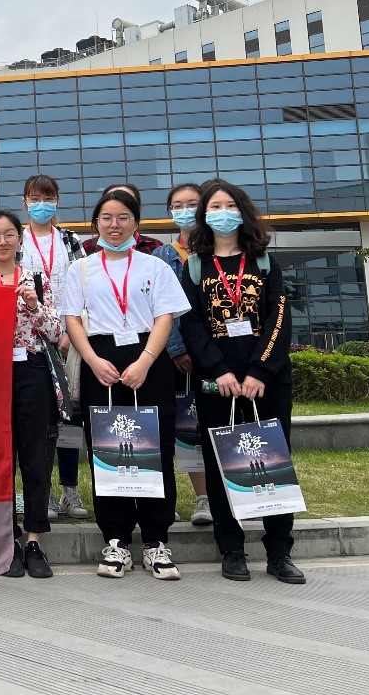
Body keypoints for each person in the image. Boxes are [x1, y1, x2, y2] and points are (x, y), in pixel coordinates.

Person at [179, 180, 304, 585]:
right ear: (204, 215)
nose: (223, 213)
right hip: (218, 383)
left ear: (243, 210)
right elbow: (191, 323)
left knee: (273, 462)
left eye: (230, 205)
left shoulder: (264, 261)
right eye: (214, 206)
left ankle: (279, 551)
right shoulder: (195, 266)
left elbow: (279, 319)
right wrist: (219, 370)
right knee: (221, 465)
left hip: (266, 381)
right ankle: (231, 548)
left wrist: (259, 371)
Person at [63, 189, 191, 580]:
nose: (114, 225)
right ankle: (116, 540)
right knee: (107, 450)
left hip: (147, 358)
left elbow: (165, 317)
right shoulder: (80, 269)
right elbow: (72, 320)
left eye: (122, 217)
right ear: (95, 223)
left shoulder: (155, 266)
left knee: (156, 449)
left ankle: (155, 540)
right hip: (100, 359)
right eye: (106, 217)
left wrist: (146, 361)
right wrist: (93, 360)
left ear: (136, 222)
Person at [0, 210, 62, 579]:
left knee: (36, 458)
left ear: (19, 239)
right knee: (0, 459)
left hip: (33, 373)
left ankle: (35, 539)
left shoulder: (36, 280)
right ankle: (7, 540)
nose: (2, 241)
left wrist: (33, 306)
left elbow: (56, 331)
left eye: (9, 234)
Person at [18, 174, 89, 523]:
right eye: (34, 198)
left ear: (57, 201)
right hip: (31, 340)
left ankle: (70, 488)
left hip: (69, 336)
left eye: (47, 198)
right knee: (40, 420)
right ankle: (42, 492)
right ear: (25, 203)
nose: (41, 204)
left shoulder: (70, 240)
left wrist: (71, 333)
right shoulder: (17, 240)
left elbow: (83, 285)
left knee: (70, 414)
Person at [154, 182, 212, 527]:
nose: (185, 210)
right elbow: (160, 308)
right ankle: (176, 498)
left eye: (192, 203)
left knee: (208, 426)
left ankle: (209, 497)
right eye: (178, 205)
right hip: (173, 358)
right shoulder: (162, 256)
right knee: (178, 428)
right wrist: (176, 349)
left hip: (214, 357)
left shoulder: (217, 252)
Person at [81, 183, 165, 255]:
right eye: (107, 217)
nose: (114, 224)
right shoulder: (86, 249)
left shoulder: (157, 248)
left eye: (127, 200)